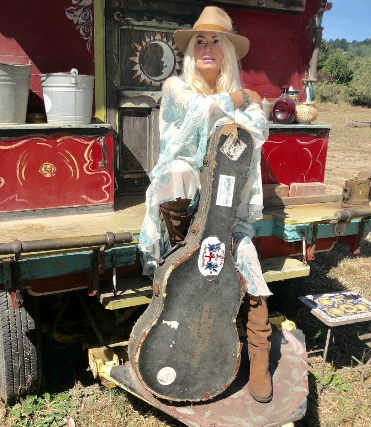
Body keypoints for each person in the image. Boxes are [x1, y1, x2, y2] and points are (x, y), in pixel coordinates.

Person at [138, 6, 273, 404]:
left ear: (228, 50)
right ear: (191, 51)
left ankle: (260, 361)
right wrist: (236, 100)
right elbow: (198, 117)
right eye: (200, 41)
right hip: (185, 203)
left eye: (217, 40)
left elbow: (254, 131)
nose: (207, 47)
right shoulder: (176, 88)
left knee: (249, 264)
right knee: (178, 169)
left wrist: (243, 108)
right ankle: (183, 262)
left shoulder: (246, 99)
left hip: (225, 204)